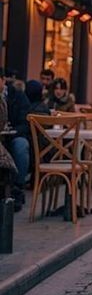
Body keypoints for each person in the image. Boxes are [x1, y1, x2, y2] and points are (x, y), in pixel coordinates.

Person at [1, 69, 31, 210]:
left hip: (12, 136)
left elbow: (25, 123)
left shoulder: (17, 97)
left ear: (3, 81)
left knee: (21, 145)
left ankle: (17, 188)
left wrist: (12, 131)